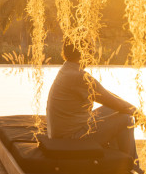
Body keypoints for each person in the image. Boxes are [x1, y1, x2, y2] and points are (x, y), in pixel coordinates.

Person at [43, 39, 140, 167]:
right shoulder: (79, 77)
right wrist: (138, 114)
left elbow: (107, 96)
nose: (93, 53)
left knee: (114, 110)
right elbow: (111, 100)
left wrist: (133, 108)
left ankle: (119, 159)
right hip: (71, 138)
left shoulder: (67, 69)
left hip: (65, 132)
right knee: (126, 119)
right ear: (85, 52)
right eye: (91, 49)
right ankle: (133, 169)